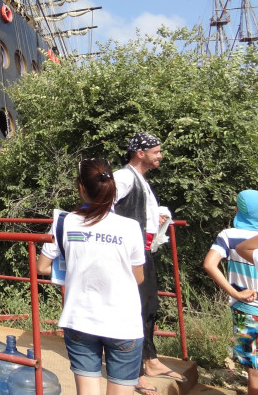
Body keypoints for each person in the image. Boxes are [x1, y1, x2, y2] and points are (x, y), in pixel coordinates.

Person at [38, 158, 145, 395]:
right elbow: (138, 278)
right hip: (123, 323)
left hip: (80, 319)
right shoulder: (130, 227)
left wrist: (76, 268)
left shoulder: (65, 222)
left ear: (81, 188)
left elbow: (42, 267)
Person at [113, 133, 183, 392]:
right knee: (134, 310)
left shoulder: (138, 179)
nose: (160, 156)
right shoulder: (123, 177)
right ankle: (135, 371)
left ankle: (150, 360)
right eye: (156, 152)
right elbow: (104, 206)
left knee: (149, 306)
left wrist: (156, 216)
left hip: (143, 252)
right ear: (140, 154)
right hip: (129, 255)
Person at [205, 190, 258, 395]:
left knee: (254, 370)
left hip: (244, 309)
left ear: (238, 210)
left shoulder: (228, 235)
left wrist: (235, 293)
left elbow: (209, 265)